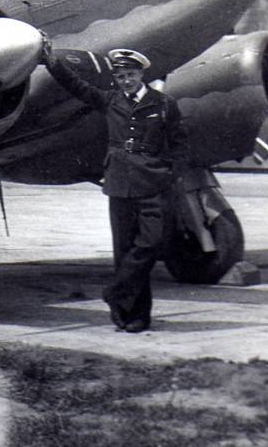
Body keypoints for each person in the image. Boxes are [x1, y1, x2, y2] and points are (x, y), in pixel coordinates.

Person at [41, 40, 187, 333]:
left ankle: (115, 290)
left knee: (152, 243)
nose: (126, 81)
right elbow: (77, 86)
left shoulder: (163, 104)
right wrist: (51, 63)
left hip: (153, 181)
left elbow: (180, 142)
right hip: (119, 181)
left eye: (130, 75)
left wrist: (171, 174)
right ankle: (131, 316)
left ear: (140, 74)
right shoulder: (110, 101)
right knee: (124, 251)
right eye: (120, 77)